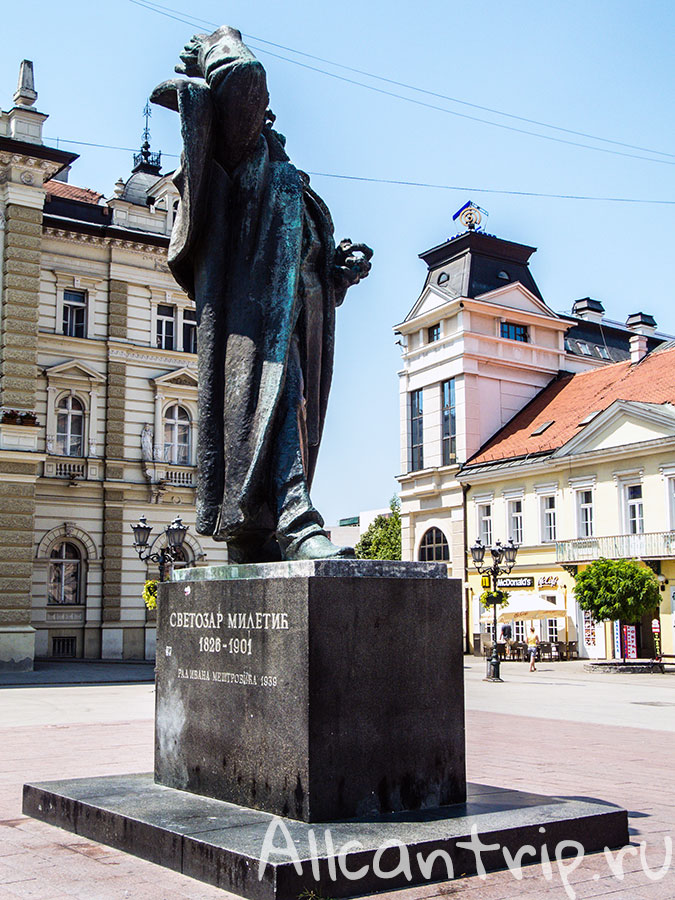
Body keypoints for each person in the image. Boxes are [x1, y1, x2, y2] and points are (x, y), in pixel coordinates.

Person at [151, 26, 372, 563]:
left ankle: (259, 534)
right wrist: (218, 45)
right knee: (270, 405)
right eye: (262, 105)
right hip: (254, 334)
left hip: (296, 326)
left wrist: (336, 272)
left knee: (285, 414)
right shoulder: (239, 158)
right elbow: (243, 77)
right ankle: (296, 519)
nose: (267, 109)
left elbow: (298, 265)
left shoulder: (287, 179)